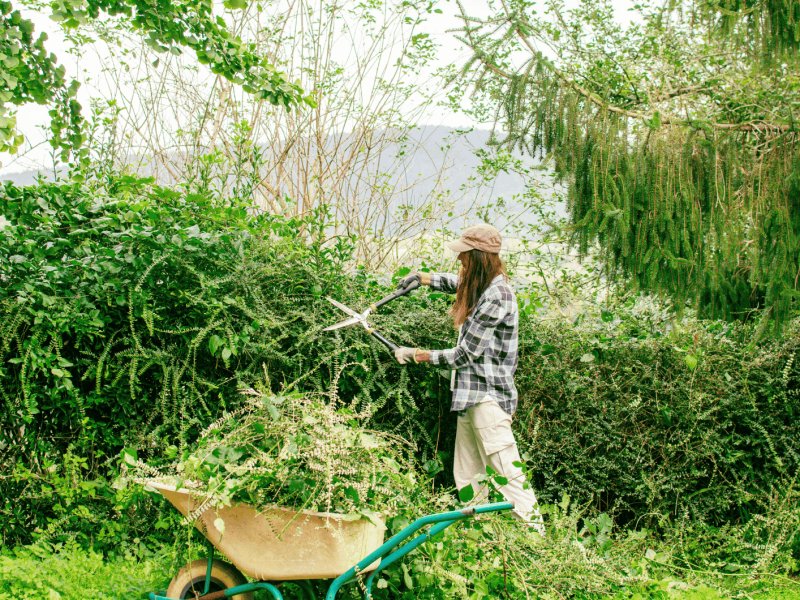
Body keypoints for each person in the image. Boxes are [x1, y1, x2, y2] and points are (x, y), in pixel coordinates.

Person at [393, 224, 545, 536]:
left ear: (478, 257)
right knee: (468, 476)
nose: (459, 259)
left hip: (488, 402)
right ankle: (480, 539)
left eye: (464, 255)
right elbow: (458, 283)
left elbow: (465, 354)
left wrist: (416, 354)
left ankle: (539, 544)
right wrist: (422, 278)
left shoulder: (497, 296)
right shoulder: (484, 284)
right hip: (469, 399)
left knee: (511, 480)